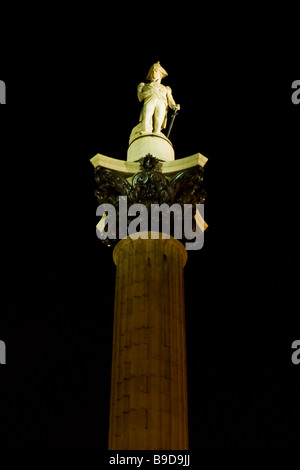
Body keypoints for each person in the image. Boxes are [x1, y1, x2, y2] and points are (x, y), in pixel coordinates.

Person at [137, 62, 180, 135]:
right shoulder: (144, 86)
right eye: (152, 71)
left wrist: (174, 106)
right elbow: (140, 97)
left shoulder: (165, 88)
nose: (153, 72)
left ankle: (156, 134)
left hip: (161, 103)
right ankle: (145, 132)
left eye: (155, 71)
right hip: (149, 101)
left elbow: (170, 100)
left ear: (160, 74)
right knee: (147, 118)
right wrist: (151, 92)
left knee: (159, 120)